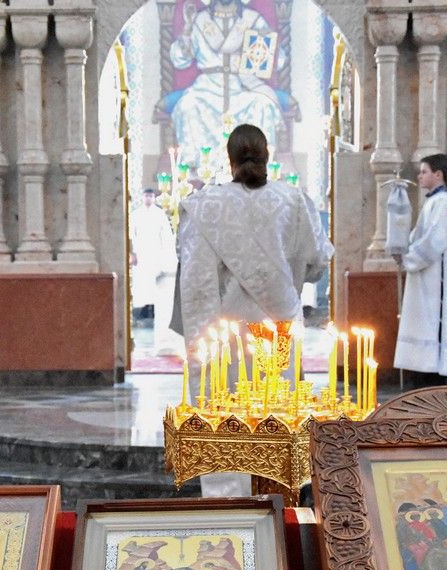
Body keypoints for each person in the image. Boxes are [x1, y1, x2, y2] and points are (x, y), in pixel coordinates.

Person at [175, 123, 331, 360]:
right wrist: (286, 276)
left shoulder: (204, 205)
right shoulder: (293, 200)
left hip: (227, 327)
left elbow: (193, 270)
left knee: (226, 383)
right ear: (266, 157)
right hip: (281, 320)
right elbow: (317, 262)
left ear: (231, 160)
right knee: (278, 383)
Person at [168, 0, 283, 160]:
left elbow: (278, 60)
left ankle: (256, 165)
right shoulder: (199, 20)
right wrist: (187, 28)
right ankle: (195, 167)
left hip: (242, 86)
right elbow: (180, 60)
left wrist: (267, 45)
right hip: (206, 88)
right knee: (187, 105)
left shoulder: (253, 20)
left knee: (263, 105)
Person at [392, 154, 447, 384]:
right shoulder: (433, 202)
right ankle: (423, 373)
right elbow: (420, 237)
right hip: (426, 278)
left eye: (424, 171)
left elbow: (435, 241)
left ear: (438, 175)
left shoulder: (443, 203)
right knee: (423, 325)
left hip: (436, 282)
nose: (419, 176)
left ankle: (431, 378)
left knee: (433, 326)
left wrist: (408, 257)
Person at [130, 188, 180, 352]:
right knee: (142, 286)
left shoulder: (159, 215)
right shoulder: (136, 214)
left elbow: (166, 236)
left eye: (151, 196)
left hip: (155, 253)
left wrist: (166, 255)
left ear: (154, 198)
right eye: (146, 196)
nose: (148, 199)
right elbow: (131, 234)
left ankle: (152, 312)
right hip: (141, 252)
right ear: (142, 197)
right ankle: (142, 312)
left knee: (156, 288)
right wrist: (132, 253)